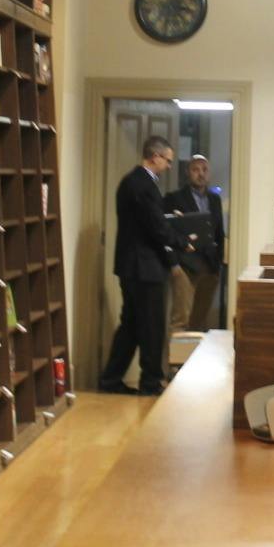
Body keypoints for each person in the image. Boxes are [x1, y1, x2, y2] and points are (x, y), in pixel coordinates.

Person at [99, 136, 178, 396]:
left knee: (131, 325)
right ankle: (151, 382)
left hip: (131, 266)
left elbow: (147, 221)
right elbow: (155, 227)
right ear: (154, 156)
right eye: (167, 160)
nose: (168, 166)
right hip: (145, 268)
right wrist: (181, 239)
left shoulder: (130, 182)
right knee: (152, 326)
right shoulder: (143, 185)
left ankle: (110, 380)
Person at [164, 155, 226, 332]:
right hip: (185, 266)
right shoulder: (173, 198)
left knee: (199, 322)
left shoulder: (215, 200)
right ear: (187, 173)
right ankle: (177, 360)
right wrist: (173, 263)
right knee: (181, 320)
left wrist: (218, 264)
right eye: (196, 170)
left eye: (204, 170)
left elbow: (219, 232)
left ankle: (194, 359)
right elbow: (166, 231)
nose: (201, 174)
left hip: (210, 267)